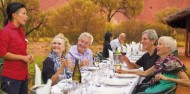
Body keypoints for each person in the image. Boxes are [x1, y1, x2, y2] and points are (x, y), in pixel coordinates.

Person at [117, 36, 188, 93]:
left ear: (168, 49)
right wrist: (125, 71)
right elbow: (145, 73)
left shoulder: (173, 62)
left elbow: (188, 82)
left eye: (160, 44)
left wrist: (167, 78)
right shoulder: (160, 61)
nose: (157, 46)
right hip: (153, 89)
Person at [0, 2, 34, 94]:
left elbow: (19, 51)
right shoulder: (5, 32)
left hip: (23, 75)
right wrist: (22, 58)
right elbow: (2, 53)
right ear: (14, 15)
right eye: (24, 13)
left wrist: (28, 56)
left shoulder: (21, 31)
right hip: (11, 77)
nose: (26, 17)